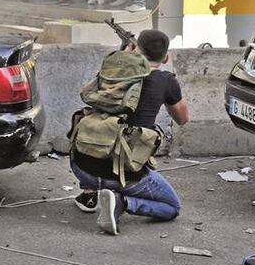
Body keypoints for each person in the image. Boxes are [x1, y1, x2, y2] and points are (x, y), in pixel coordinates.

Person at [70, 29, 189, 234]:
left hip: (81, 166)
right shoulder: (166, 81)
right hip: (124, 176)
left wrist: (122, 61)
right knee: (172, 207)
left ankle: (89, 194)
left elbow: (85, 93)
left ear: (135, 49)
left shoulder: (114, 72)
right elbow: (183, 118)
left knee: (97, 123)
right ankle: (122, 202)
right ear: (165, 58)